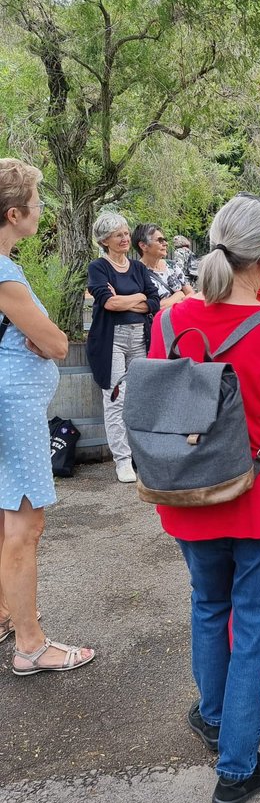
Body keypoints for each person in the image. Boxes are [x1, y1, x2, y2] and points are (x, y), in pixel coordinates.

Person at [147, 192, 260, 803]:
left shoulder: (168, 323)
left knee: (207, 604)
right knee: (253, 627)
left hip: (188, 493)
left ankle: (216, 716)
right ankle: (236, 769)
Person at [0, 158, 94, 675]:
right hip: (14, 406)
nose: (41, 210)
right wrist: (43, 339)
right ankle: (31, 645)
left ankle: (6, 612)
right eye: (36, 203)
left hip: (9, 401)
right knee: (26, 520)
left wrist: (39, 338)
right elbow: (57, 342)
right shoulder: (4, 272)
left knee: (4, 512)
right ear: (14, 214)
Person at [87, 211, 160, 484]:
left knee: (140, 398)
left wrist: (133, 298)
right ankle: (122, 460)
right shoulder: (98, 268)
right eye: (118, 235)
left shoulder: (138, 267)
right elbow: (109, 303)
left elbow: (153, 301)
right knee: (116, 399)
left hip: (140, 336)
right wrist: (137, 299)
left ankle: (141, 456)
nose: (125, 238)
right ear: (105, 240)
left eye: (127, 233)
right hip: (112, 340)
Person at [132, 223, 193, 310]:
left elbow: (190, 294)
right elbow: (148, 307)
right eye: (160, 240)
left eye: (165, 240)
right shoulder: (137, 273)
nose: (166, 243)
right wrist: (179, 295)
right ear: (143, 246)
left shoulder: (172, 266)